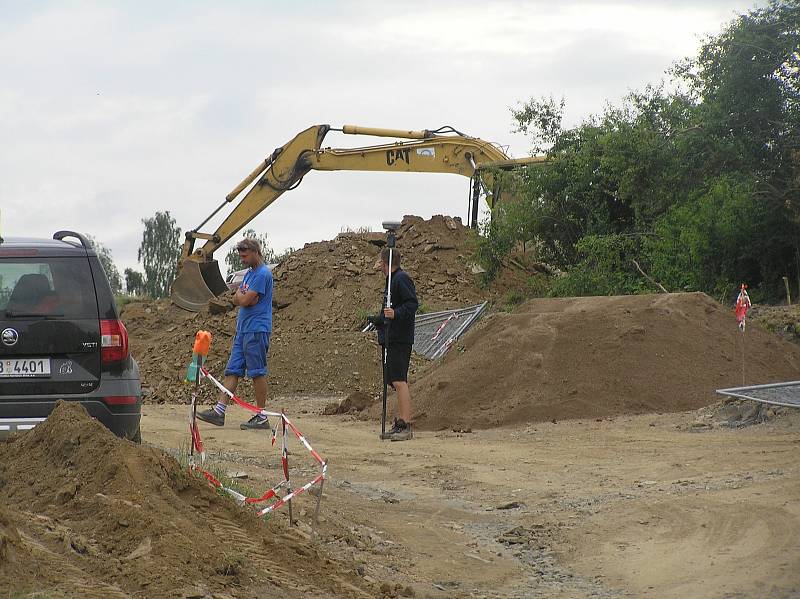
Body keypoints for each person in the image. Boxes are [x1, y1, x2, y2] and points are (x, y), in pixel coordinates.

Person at [197, 238, 273, 430]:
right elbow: (239, 296)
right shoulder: (249, 274)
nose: (242, 259)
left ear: (256, 252)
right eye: (240, 255)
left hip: (256, 329)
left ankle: (261, 416)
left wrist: (243, 298)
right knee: (233, 370)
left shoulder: (262, 274)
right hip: (243, 330)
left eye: (245, 255)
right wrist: (242, 298)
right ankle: (219, 411)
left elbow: (245, 299)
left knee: (257, 372)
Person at [370, 247, 418, 441]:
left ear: (385, 262)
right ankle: (400, 422)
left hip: (400, 338)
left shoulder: (401, 279)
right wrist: (380, 319)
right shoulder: (391, 281)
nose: (379, 265)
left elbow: (412, 304)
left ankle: (405, 424)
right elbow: (390, 309)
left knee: (399, 380)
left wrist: (395, 314)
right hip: (392, 337)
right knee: (394, 381)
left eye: (381, 262)